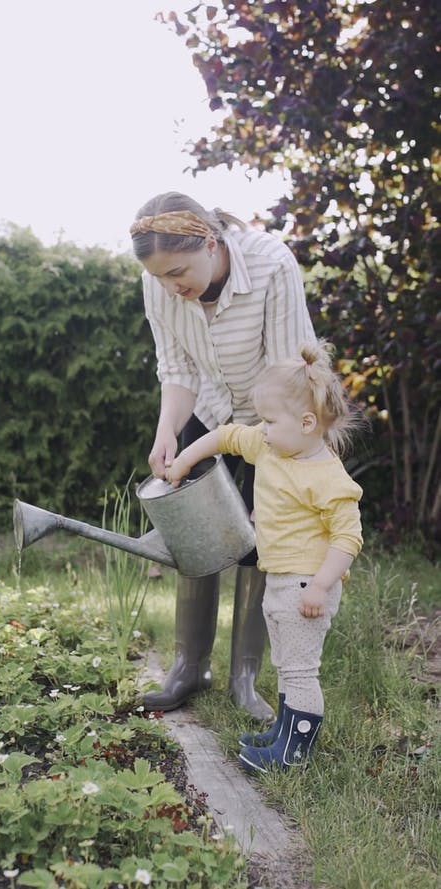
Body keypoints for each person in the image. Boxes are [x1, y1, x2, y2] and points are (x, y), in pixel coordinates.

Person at [130, 191, 316, 721]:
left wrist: (274, 472)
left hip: (277, 414)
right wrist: (168, 431)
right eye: (161, 276)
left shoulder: (271, 265)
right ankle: (190, 666)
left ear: (211, 243)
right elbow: (178, 370)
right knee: (194, 531)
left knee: (262, 540)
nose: (172, 286)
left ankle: (245, 677)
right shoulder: (158, 283)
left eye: (179, 271)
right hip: (211, 409)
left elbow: (287, 374)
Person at [165, 339, 363, 772]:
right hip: (280, 580)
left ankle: (292, 754)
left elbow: (347, 539)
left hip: (307, 585)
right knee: (285, 664)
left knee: (299, 670)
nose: (263, 429)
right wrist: (182, 460)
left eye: (270, 421)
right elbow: (225, 435)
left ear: (308, 422)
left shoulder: (328, 476)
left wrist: (322, 585)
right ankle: (283, 734)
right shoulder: (270, 445)